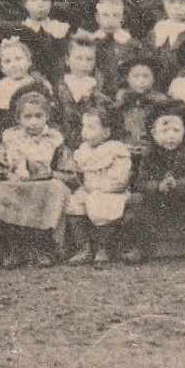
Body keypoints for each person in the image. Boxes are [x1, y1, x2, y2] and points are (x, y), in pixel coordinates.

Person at [0, 88, 69, 268]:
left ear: (47, 116)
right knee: (1, 189)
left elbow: (70, 172)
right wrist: (6, 170)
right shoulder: (11, 138)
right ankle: (14, 247)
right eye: (28, 117)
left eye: (38, 116)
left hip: (44, 183)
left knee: (56, 189)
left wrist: (50, 173)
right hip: (18, 181)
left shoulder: (54, 139)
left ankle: (42, 246)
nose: (33, 122)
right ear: (18, 119)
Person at [129, 99, 185, 261]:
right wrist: (157, 186)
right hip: (157, 199)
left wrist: (178, 184)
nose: (170, 136)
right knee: (136, 200)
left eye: (176, 131)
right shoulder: (149, 154)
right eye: (164, 131)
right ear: (153, 133)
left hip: (183, 198)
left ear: (184, 132)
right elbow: (141, 181)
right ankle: (139, 246)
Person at [62, 103, 135, 266]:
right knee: (74, 206)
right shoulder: (84, 150)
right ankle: (84, 247)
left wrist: (101, 188)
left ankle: (103, 248)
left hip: (110, 191)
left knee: (103, 205)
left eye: (92, 127)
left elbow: (120, 179)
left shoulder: (116, 150)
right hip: (88, 190)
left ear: (107, 132)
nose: (85, 132)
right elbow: (81, 174)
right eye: (84, 127)